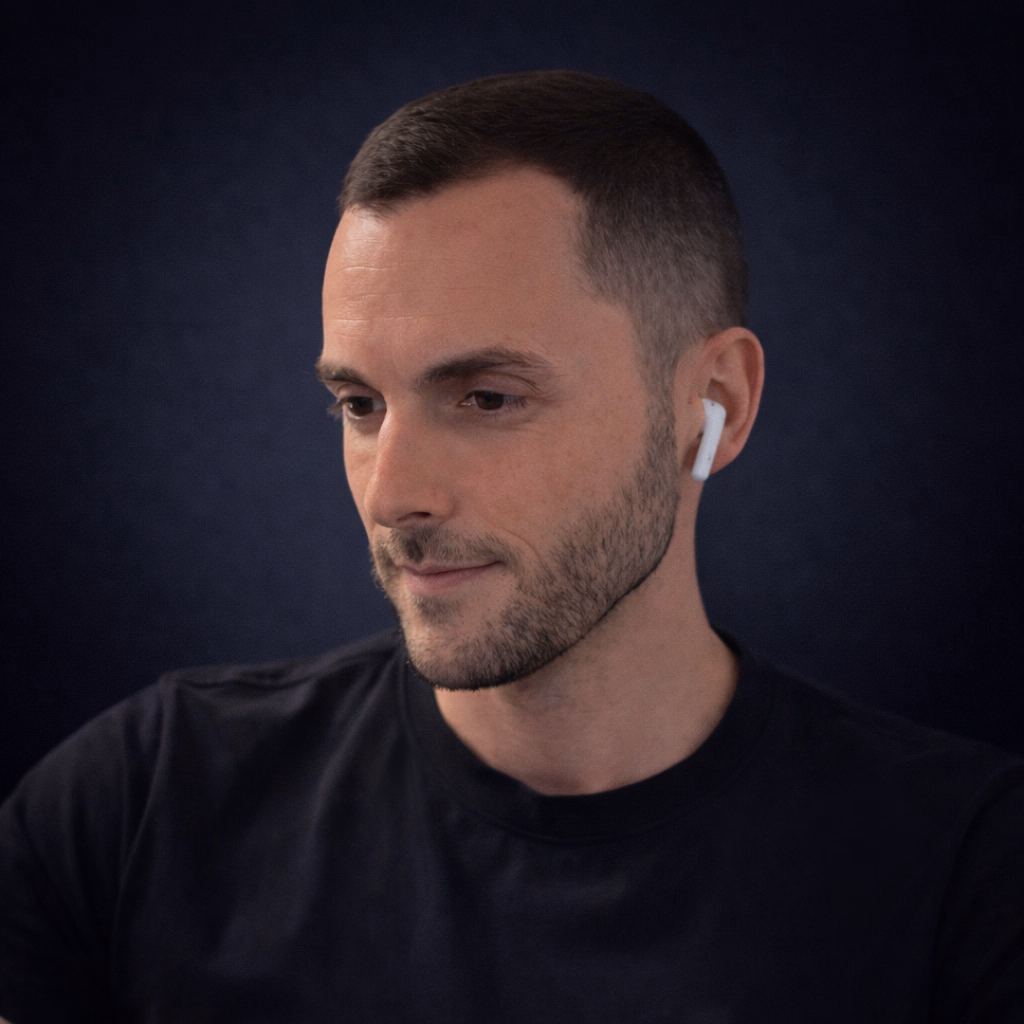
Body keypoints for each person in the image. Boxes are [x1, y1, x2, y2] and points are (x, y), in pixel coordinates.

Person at [1, 70, 1021, 1024]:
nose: (391, 495)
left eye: (487, 398)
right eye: (359, 404)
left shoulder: (966, 869)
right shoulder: (138, 808)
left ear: (714, 403)